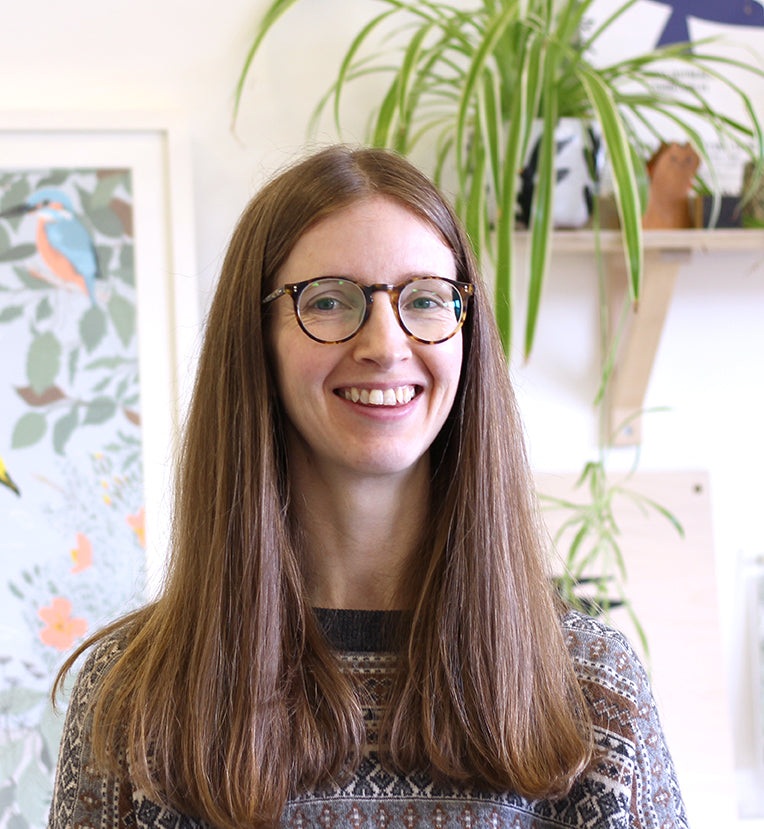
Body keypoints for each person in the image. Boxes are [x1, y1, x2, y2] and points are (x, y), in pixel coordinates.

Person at [48, 146, 687, 828]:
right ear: (254, 338)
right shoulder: (133, 698)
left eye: (425, 300)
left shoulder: (590, 688)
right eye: (327, 300)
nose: (386, 342)